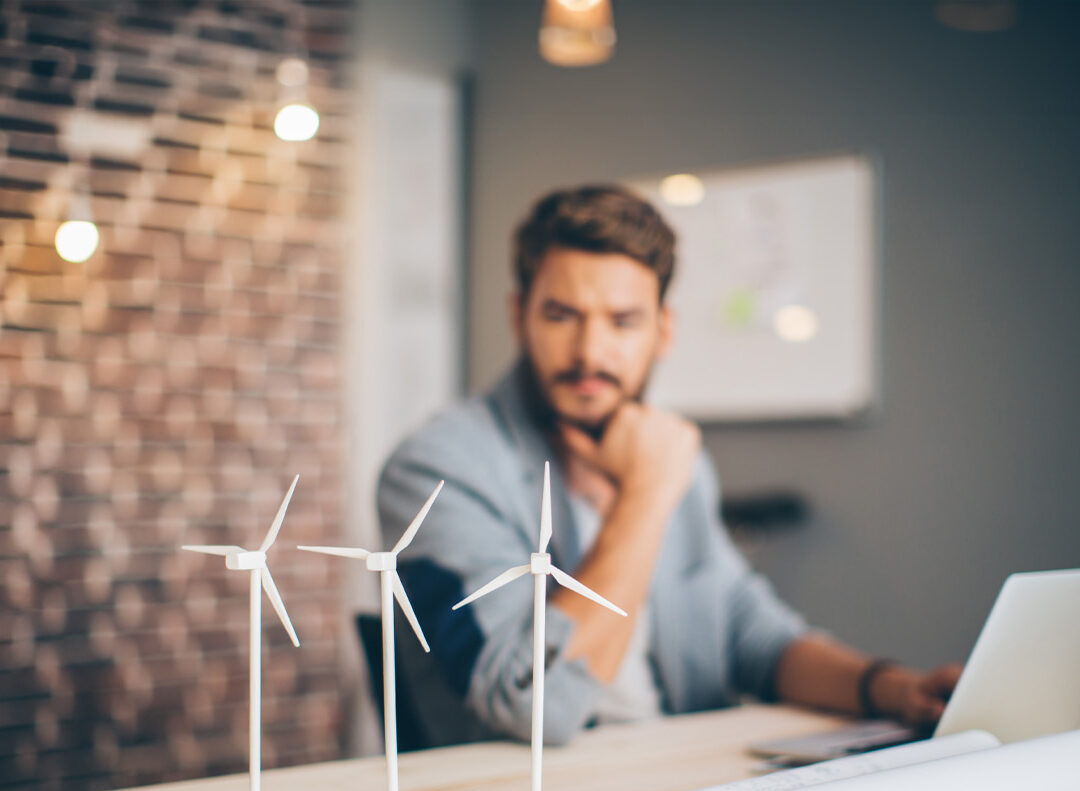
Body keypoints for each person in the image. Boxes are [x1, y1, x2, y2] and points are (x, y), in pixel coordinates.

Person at [377, 184, 961, 749]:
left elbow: (750, 634)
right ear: (518, 317)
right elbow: (536, 703)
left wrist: (892, 689)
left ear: (664, 329)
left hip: (674, 787)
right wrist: (645, 497)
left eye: (623, 321)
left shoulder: (667, 452)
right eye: (561, 315)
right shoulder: (437, 470)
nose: (590, 352)